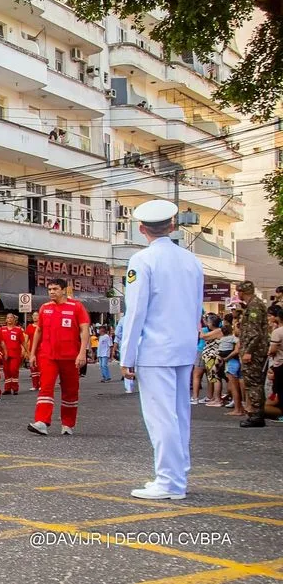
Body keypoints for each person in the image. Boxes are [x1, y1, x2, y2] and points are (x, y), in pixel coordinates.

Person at [118, 200, 204, 499]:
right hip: (183, 347)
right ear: (173, 225)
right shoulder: (191, 260)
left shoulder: (142, 260)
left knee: (161, 417)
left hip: (155, 350)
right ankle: (179, 474)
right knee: (180, 414)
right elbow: (197, 308)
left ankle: (169, 481)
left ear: (141, 229)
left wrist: (126, 356)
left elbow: (136, 311)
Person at [28, 278, 89, 436]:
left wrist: (82, 353)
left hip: (70, 356)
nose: (52, 292)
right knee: (46, 387)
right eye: (49, 289)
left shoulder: (76, 307)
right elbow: (38, 331)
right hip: (48, 355)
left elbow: (84, 330)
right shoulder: (44, 308)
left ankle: (67, 424)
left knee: (70, 390)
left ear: (63, 290)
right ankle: (42, 422)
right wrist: (32, 353)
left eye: (55, 289)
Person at [235, 280, 270, 427]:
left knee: (254, 383)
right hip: (254, 350)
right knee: (253, 382)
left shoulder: (254, 306)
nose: (238, 295)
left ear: (243, 292)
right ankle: (256, 412)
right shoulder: (253, 305)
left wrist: (248, 351)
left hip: (254, 352)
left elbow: (255, 333)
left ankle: (256, 414)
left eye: (239, 292)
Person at [0, 313, 25, 395]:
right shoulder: (1, 329)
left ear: (14, 320)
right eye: (8, 318)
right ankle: (7, 389)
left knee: (13, 370)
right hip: (5, 354)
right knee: (6, 371)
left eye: (11, 318)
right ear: (6, 320)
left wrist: (28, 352)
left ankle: (15, 388)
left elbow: (23, 342)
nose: (9, 319)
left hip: (15, 354)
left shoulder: (18, 330)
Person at [25, 310, 40, 390]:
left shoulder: (42, 326)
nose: (35, 317)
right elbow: (26, 340)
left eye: (36, 315)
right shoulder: (29, 327)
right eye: (33, 315)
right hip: (32, 350)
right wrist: (26, 351)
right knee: (33, 367)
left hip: (41, 349)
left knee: (41, 367)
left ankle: (41, 384)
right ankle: (35, 385)